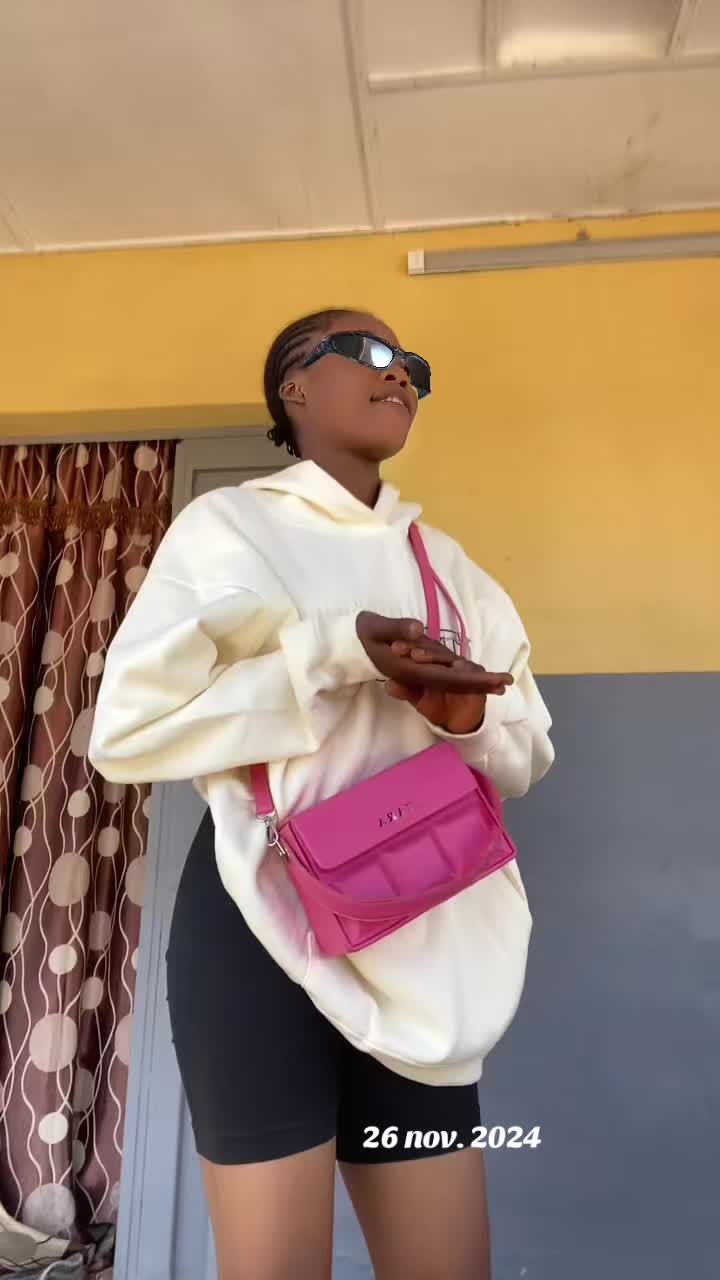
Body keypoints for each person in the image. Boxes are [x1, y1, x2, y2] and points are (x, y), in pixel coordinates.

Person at [89, 309, 554, 1280]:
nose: (402, 375)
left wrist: (464, 718)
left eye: (413, 363)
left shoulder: (453, 571)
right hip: (261, 924)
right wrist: (333, 654)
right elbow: (126, 729)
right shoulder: (227, 530)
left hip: (424, 928)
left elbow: (525, 756)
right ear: (294, 387)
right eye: (372, 354)